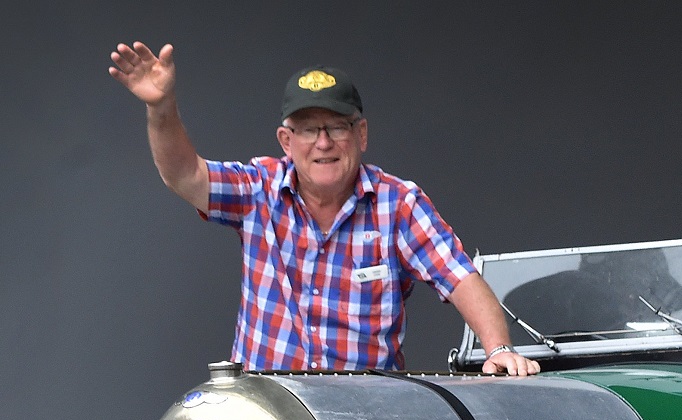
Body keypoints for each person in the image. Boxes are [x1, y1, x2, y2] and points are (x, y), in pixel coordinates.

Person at [109, 42, 537, 376]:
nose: (324, 142)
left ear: (362, 134)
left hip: (365, 418)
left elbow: (460, 277)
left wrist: (498, 349)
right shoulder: (258, 189)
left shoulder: (399, 204)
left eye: (336, 126)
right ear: (285, 141)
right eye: (309, 129)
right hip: (267, 413)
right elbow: (184, 175)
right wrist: (160, 108)